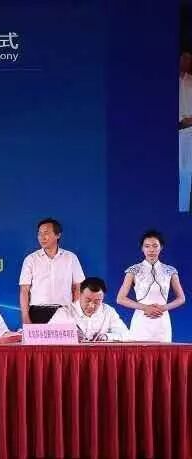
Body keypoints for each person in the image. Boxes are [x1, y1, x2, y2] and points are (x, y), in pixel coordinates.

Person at [116, 230, 185, 342]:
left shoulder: (170, 271)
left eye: (155, 246)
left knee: (164, 353)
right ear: (142, 248)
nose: (151, 250)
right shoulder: (133, 270)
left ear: (161, 247)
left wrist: (163, 308)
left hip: (162, 322)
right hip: (141, 321)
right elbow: (120, 299)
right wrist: (145, 308)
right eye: (147, 246)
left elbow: (181, 298)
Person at [19, 218, 85, 324]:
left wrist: (76, 313)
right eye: (39, 234)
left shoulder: (70, 258)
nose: (42, 237)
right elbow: (24, 290)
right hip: (37, 312)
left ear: (58, 235)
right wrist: (25, 318)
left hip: (65, 312)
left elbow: (77, 287)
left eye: (46, 233)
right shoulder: (31, 259)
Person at [51, 277, 129, 342]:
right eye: (87, 300)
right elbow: (47, 335)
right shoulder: (64, 312)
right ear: (80, 295)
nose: (91, 306)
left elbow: (126, 335)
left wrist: (107, 337)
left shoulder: (109, 312)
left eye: (97, 301)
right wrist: (70, 335)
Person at [179, 50, 192, 212]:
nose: (186, 62)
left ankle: (183, 210)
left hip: (189, 133)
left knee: (187, 172)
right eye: (184, 59)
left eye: (189, 60)